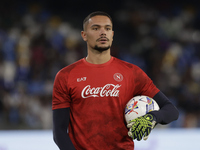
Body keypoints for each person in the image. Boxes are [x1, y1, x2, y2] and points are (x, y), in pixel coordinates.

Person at [52, 11, 179, 150]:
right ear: (84, 35)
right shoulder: (66, 76)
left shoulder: (132, 73)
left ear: (112, 35)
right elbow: (59, 131)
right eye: (95, 28)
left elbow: (171, 110)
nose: (102, 32)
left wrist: (152, 117)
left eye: (107, 28)